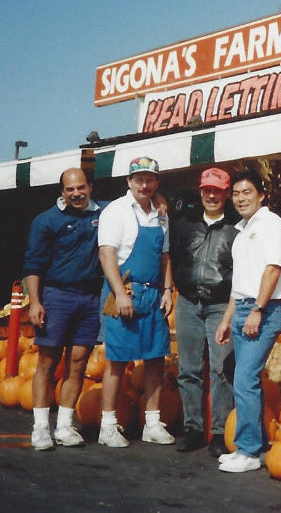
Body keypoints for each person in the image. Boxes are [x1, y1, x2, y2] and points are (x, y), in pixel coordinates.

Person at [24, 168, 106, 451]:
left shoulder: (104, 213)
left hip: (89, 298)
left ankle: (64, 425)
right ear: (62, 191)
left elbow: (133, 202)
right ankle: (40, 428)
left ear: (90, 187)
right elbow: (33, 265)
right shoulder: (46, 220)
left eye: (81, 188)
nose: (76, 194)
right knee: (47, 363)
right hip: (56, 296)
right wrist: (35, 302)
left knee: (79, 362)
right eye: (70, 189)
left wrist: (158, 200)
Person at [215, 169, 281, 473]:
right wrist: (226, 319)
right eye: (235, 193)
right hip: (243, 307)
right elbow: (240, 282)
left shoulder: (273, 226)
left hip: (264, 309)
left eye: (247, 192)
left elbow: (272, 270)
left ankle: (247, 451)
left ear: (262, 194)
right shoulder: (242, 230)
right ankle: (255, 448)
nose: (240, 198)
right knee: (244, 380)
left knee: (245, 379)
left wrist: (258, 310)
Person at [97, 156, 174, 447]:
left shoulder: (161, 213)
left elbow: (164, 255)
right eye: (139, 179)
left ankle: (152, 423)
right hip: (124, 291)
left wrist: (168, 289)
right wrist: (118, 293)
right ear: (129, 182)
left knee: (155, 358)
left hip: (154, 293)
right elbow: (106, 255)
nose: (145, 184)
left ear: (157, 182)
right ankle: (108, 426)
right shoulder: (116, 211)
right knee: (117, 360)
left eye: (150, 179)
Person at [170, 167, 238, 456]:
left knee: (222, 369)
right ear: (200, 192)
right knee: (188, 369)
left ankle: (221, 433)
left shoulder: (237, 229)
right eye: (207, 190)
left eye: (218, 190)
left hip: (220, 305)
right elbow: (170, 257)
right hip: (187, 302)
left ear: (226, 194)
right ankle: (193, 429)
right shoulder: (184, 223)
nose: (212, 195)